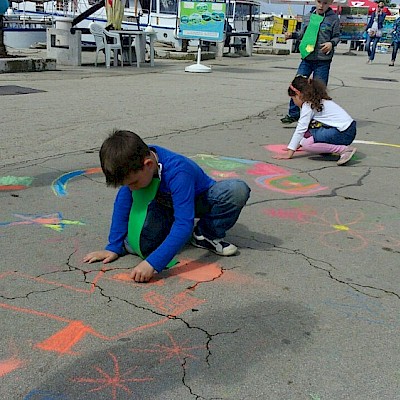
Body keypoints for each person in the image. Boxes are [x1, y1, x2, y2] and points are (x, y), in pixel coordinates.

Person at [83, 130, 251, 282]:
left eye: (133, 183)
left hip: (197, 200)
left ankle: (206, 234)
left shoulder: (178, 172)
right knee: (142, 245)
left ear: (148, 164)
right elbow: (122, 205)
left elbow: (183, 224)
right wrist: (113, 246)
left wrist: (152, 263)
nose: (131, 188)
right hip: (165, 205)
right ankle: (166, 231)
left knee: (236, 190)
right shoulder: (133, 163)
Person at [274, 76, 357, 166]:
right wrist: (295, 145)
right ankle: (328, 148)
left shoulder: (308, 105)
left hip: (343, 133)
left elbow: (301, 129)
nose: (294, 102)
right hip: (347, 129)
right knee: (310, 134)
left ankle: (344, 150)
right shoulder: (318, 100)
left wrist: (290, 152)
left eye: (293, 98)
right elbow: (308, 130)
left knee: (307, 144)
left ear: (298, 94)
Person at [280, 0, 340, 124]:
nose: (321, 5)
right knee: (296, 85)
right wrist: (292, 35)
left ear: (330, 3)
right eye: (319, 2)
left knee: (319, 89)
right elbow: (302, 34)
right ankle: (294, 113)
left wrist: (331, 43)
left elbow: (337, 36)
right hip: (307, 58)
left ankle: (318, 116)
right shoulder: (308, 17)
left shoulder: (333, 19)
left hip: (323, 60)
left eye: (325, 3)